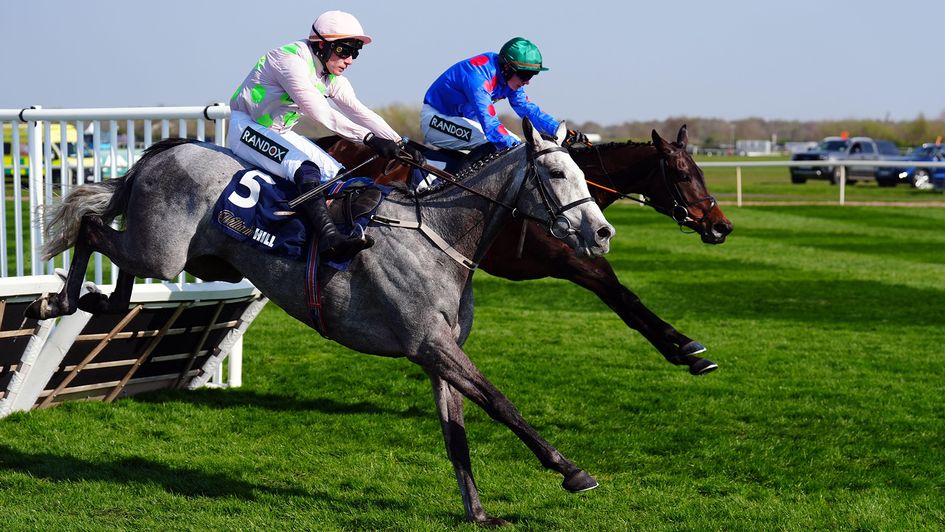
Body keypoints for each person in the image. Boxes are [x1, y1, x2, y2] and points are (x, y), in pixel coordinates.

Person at [228, 10, 423, 261]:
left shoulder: (331, 76)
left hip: (280, 132)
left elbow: (359, 111)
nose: (349, 60)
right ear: (321, 45)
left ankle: (339, 233)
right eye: (344, 50)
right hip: (246, 128)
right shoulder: (289, 60)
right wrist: (368, 139)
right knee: (306, 169)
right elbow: (320, 112)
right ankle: (328, 239)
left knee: (339, 175)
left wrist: (399, 143)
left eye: (355, 53)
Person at [421, 37, 589, 152]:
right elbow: (490, 124)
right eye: (525, 75)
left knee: (514, 141)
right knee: (501, 145)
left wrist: (559, 131)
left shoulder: (509, 77)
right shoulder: (478, 78)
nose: (527, 82)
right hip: (436, 120)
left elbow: (527, 109)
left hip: (463, 120)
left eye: (532, 75)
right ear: (507, 68)